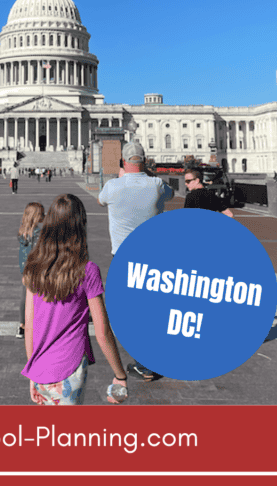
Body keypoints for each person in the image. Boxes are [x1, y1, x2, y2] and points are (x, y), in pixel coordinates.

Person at [22, 194, 128, 406]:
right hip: (70, 368)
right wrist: (120, 375)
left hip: (40, 367)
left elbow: (30, 324)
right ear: (81, 226)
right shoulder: (87, 270)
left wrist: (32, 371)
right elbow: (102, 331)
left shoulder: (34, 265)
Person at [98, 140, 174, 381]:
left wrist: (122, 177)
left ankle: (146, 361)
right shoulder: (157, 185)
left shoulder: (112, 187)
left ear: (123, 161)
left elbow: (101, 200)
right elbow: (170, 194)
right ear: (145, 161)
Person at [16, 202, 45, 340]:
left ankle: (22, 325)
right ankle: (36, 324)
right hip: (35, 269)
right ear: (36, 216)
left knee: (25, 296)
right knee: (38, 296)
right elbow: (37, 253)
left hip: (25, 268)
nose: (44, 216)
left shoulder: (22, 232)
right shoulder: (38, 233)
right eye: (42, 214)